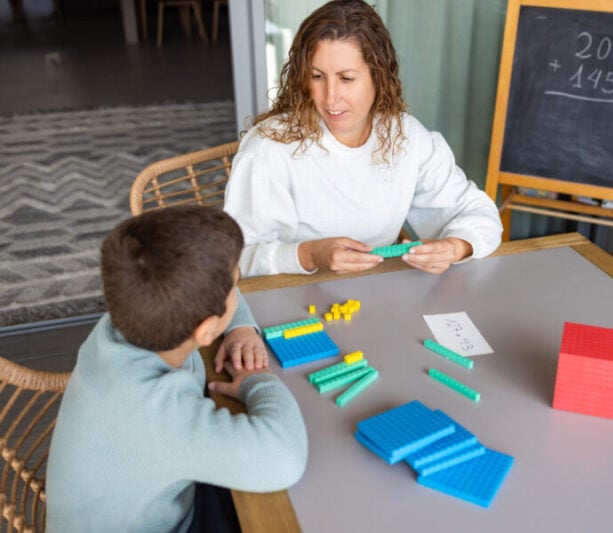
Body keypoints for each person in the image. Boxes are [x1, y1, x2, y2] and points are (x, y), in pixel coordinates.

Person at [46, 206, 308, 532]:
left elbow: (221, 291)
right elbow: (283, 460)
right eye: (234, 281)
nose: (236, 287)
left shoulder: (131, 316)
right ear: (206, 330)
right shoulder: (156, 412)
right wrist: (259, 380)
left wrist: (240, 328)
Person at [224, 0, 502, 278]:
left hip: (373, 298)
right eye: (317, 76)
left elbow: (478, 213)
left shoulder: (405, 137)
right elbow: (235, 259)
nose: (330, 97)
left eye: (346, 78)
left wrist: (455, 246)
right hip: (290, 304)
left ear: (378, 77)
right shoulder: (270, 149)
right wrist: (308, 254)